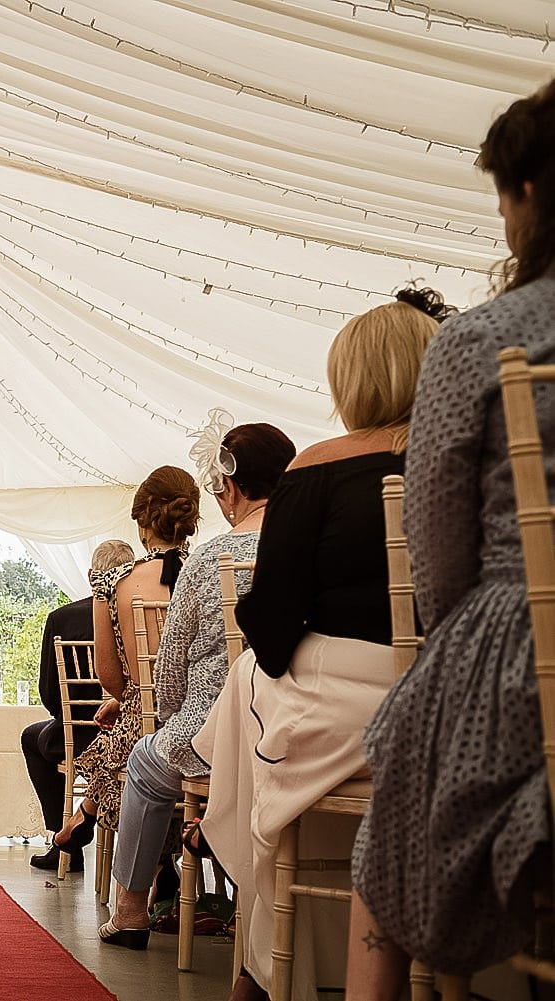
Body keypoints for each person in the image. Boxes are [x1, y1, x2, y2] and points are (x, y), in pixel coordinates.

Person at [349, 80, 555, 999]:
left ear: (529, 193)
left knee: (396, 798)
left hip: (530, 655)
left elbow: (437, 568)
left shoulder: (481, 341)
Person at [192, 288, 447, 1001]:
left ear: (351, 380)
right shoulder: (473, 455)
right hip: (451, 700)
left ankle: (263, 951)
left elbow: (273, 628)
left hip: (346, 707)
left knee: (248, 683)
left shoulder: (317, 465)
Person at [98, 417, 296, 949]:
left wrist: (171, 720)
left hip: (213, 736)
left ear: (228, 485)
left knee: (145, 762)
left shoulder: (210, 558)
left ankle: (131, 912)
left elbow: (168, 671)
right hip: (294, 733)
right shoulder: (308, 547)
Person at [47, 466, 200, 867]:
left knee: (118, 741)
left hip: (146, 724)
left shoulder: (117, 583)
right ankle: (167, 866)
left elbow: (111, 677)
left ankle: (87, 815)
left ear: (144, 523)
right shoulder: (209, 573)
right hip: (206, 725)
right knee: (131, 733)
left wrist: (129, 698)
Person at [25, 539, 135, 872]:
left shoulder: (62, 618)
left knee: (31, 738)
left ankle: (61, 841)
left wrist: (69, 716)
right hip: (133, 729)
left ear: (91, 576)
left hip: (79, 734)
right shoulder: (139, 613)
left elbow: (49, 692)